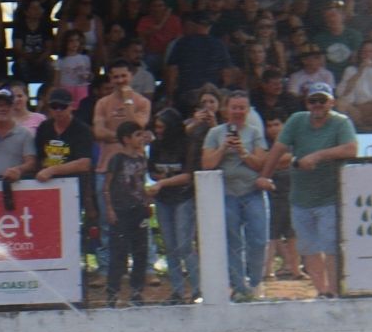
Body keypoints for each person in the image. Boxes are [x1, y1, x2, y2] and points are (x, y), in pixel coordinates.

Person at [268, 82, 357, 299]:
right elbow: (278, 148)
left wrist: (318, 156)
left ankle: (334, 291)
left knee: (331, 246)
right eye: (312, 100)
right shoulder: (297, 120)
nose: (317, 104)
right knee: (307, 247)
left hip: (330, 195)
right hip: (301, 195)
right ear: (306, 102)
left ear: (331, 102)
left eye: (322, 100)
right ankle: (322, 291)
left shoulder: (341, 123)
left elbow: (351, 149)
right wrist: (264, 175)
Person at [201, 91, 272, 302]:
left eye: (242, 108)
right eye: (234, 107)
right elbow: (207, 164)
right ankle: (239, 286)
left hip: (252, 192)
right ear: (226, 110)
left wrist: (242, 151)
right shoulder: (214, 133)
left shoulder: (255, 132)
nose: (238, 112)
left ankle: (256, 281)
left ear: (248, 110)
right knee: (233, 241)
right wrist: (224, 146)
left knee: (259, 239)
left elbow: (261, 164)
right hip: (227, 194)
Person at [149, 107, 200, 304]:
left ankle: (197, 288)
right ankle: (177, 291)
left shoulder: (187, 145)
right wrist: (163, 179)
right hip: (163, 200)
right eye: (157, 127)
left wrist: (163, 181)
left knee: (184, 245)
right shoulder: (155, 146)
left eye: (162, 126)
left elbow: (188, 175)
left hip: (183, 198)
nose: (159, 130)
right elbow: (152, 171)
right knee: (170, 247)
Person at [102, 121, 153, 307]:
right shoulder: (117, 159)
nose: (141, 138)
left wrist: (147, 202)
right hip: (121, 210)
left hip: (138, 210)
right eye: (137, 135)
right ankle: (113, 292)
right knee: (118, 253)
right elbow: (106, 186)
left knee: (140, 252)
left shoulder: (142, 159)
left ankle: (137, 291)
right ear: (126, 139)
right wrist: (109, 208)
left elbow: (142, 184)